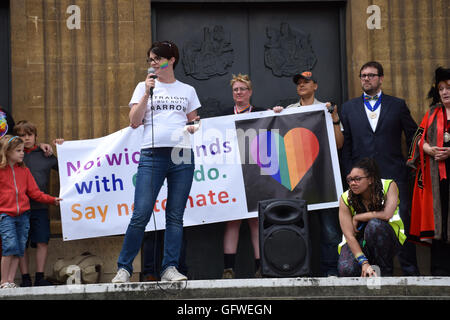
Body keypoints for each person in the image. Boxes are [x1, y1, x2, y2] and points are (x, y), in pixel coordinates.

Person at [112, 40, 201, 283]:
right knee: (140, 213)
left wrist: (194, 126)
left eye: (157, 59)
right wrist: (145, 94)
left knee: (175, 215)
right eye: (150, 59)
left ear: (171, 60)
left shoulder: (188, 90)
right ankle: (124, 268)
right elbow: (134, 121)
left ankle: (169, 267)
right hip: (152, 155)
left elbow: (195, 120)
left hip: (181, 154)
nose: (152, 63)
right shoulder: (143, 86)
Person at [340, 61, 420, 276]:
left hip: (394, 174)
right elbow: (346, 144)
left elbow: (413, 135)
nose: (366, 79)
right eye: (363, 75)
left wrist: (409, 163)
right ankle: (372, 270)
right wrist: (350, 173)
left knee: (401, 222)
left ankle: (411, 273)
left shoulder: (397, 105)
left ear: (381, 78)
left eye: (371, 75)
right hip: (361, 181)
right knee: (368, 227)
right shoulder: (348, 108)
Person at [273, 70, 343, 277]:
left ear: (315, 86)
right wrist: (274, 116)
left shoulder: (326, 110)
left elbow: (339, 144)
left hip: (323, 180)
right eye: (299, 83)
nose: (302, 85)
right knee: (296, 229)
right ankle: (298, 271)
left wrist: (336, 118)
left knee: (330, 231)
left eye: (307, 82)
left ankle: (331, 271)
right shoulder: (287, 111)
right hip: (296, 182)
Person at [0, 135, 62, 289]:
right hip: (6, 215)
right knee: (9, 247)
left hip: (24, 215)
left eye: (22, 150)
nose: (22, 153)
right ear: (7, 152)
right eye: (19, 151)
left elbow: (35, 193)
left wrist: (51, 200)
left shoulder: (24, 171)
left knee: (19, 249)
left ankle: (11, 281)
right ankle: (3, 281)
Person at [407, 66, 450, 276]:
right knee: (439, 220)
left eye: (448, 88)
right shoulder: (433, 112)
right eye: (441, 88)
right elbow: (417, 137)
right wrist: (427, 149)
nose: (444, 92)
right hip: (436, 179)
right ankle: (440, 269)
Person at [222, 74, 264, 279]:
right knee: (232, 222)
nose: (239, 92)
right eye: (235, 90)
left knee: (255, 222)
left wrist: (279, 114)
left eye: (242, 89)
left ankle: (260, 268)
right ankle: (228, 269)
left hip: (254, 175)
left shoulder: (262, 112)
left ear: (250, 92)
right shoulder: (222, 115)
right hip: (231, 175)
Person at [338, 158, 406, 277]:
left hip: (386, 238)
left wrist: (358, 217)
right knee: (346, 269)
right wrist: (364, 263)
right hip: (359, 242)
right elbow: (349, 235)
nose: (352, 183)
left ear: (370, 179)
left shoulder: (389, 185)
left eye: (357, 179)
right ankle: (366, 275)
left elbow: (386, 215)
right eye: (350, 180)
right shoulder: (345, 198)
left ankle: (384, 274)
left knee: (375, 225)